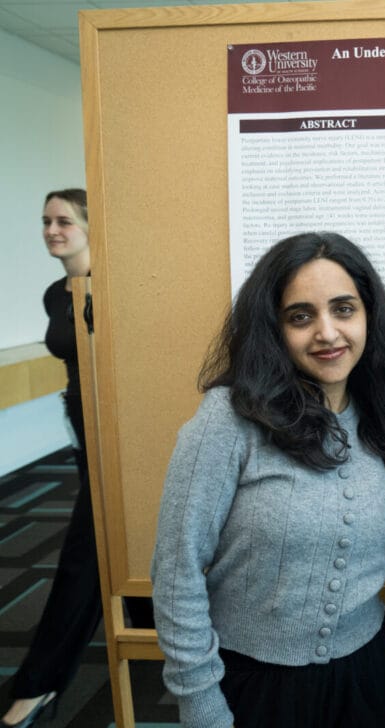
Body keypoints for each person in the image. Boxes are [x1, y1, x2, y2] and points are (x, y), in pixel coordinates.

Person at [150, 232, 385, 728]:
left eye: (343, 309)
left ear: (369, 317)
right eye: (301, 316)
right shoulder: (227, 422)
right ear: (273, 329)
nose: (327, 332)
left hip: (365, 675)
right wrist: (199, 701)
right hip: (252, 685)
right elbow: (176, 571)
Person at [3, 189, 152, 728]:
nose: (51, 230)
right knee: (118, 541)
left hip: (118, 433)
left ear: (92, 226)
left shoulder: (110, 290)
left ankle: (40, 682)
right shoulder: (53, 293)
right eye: (45, 221)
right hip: (81, 431)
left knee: (82, 558)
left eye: (64, 220)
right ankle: (150, 631)